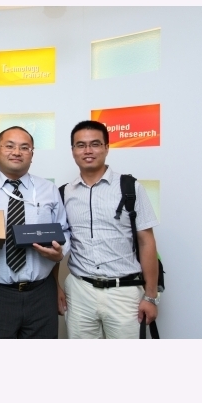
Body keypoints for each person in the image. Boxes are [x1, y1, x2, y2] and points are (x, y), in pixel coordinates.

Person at [0, 126, 70, 339]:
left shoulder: (49, 190)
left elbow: (64, 230)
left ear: (32, 154)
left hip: (41, 293)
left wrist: (60, 252)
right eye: (9, 146)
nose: (17, 152)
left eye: (24, 147)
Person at [61, 120, 160, 339]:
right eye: (80, 145)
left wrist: (151, 296)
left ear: (107, 147)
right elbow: (56, 245)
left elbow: (147, 242)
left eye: (95, 144)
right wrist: (56, 288)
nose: (88, 150)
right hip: (79, 292)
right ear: (73, 151)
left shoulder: (130, 187)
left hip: (124, 293)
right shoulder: (63, 193)